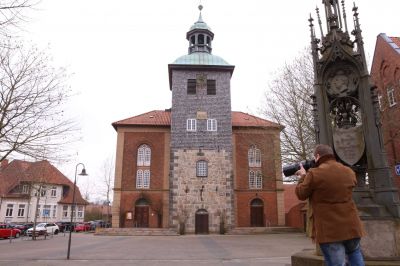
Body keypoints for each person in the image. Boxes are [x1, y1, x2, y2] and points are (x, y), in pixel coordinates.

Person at [295, 144, 365, 266]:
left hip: (330, 230)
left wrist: (302, 177)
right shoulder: (348, 171)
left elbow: (301, 194)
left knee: (336, 263)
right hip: (352, 227)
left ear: (317, 156)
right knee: (355, 255)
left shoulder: (314, 174)